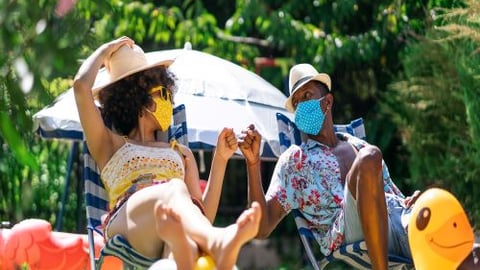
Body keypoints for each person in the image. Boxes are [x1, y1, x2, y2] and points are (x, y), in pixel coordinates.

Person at [73, 36, 261, 269]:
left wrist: (220, 158)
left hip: (169, 223)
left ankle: (182, 254)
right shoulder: (110, 144)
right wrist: (106, 51)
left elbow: (202, 217)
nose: (170, 103)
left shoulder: (180, 153)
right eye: (165, 94)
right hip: (129, 224)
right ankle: (217, 241)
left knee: (184, 240)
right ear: (140, 98)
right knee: (174, 188)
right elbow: (81, 87)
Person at [238, 63, 421, 270]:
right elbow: (261, 228)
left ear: (327, 102)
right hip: (347, 233)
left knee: (444, 221)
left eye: (306, 96)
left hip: (396, 221)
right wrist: (253, 164)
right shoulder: (295, 161)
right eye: (296, 103)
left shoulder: (359, 145)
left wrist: (414, 202)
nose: (301, 106)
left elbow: (391, 194)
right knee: (370, 157)